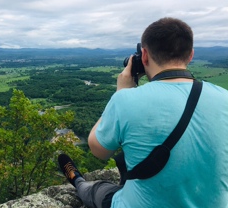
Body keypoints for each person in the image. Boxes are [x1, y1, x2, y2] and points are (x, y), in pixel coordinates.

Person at [58, 17, 228, 208]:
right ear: (191, 55)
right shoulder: (224, 97)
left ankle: (78, 181)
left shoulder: (126, 99)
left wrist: (120, 92)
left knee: (99, 189)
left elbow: (98, 150)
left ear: (144, 55)